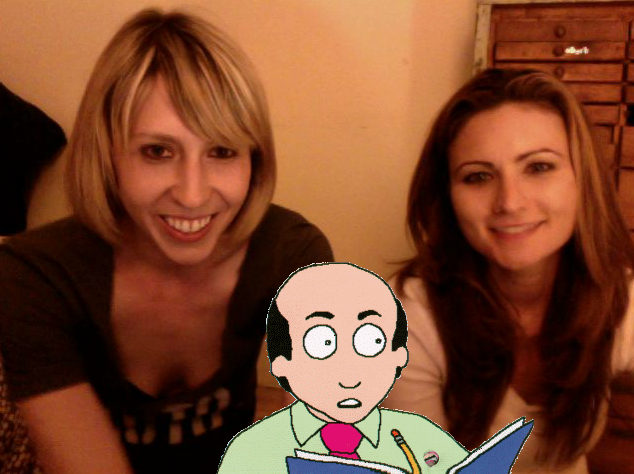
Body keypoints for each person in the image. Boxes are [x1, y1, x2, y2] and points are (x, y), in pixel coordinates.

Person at [0, 9, 332, 474]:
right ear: (107, 155)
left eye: (222, 151)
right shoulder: (33, 277)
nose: (192, 195)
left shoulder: (290, 253)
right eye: (157, 151)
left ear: (254, 161)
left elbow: (319, 440)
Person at [382, 68, 634, 474]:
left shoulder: (617, 295)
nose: (510, 202)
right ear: (447, 197)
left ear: (582, 180)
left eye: (538, 167)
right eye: (478, 176)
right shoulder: (405, 321)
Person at [218, 263, 470, 473]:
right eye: (321, 344)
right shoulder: (252, 453)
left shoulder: (423, 437)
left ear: (398, 357)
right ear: (282, 364)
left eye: (370, 341)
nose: (349, 374)